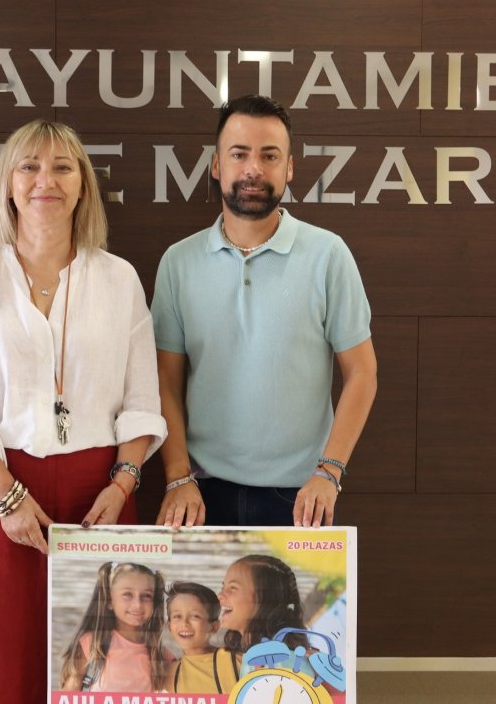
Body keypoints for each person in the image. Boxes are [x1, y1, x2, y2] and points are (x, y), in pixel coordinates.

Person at [0, 119, 167, 704]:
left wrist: (125, 482)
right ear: (8, 183)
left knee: (97, 667)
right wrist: (5, 496)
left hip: (99, 497)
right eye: (29, 166)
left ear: (83, 186)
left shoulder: (120, 278)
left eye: (62, 167)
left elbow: (142, 398)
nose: (44, 181)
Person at [151, 94, 377, 529]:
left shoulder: (328, 255)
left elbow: (362, 373)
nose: (253, 168)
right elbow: (165, 381)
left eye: (269, 155)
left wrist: (329, 472)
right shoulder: (178, 262)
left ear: (289, 168)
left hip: (301, 497)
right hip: (200, 492)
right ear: (217, 166)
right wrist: (177, 476)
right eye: (239, 154)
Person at [59, 561, 168, 692]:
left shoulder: (159, 654)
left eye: (146, 596)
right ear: (109, 601)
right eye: (127, 594)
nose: (137, 604)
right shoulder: (92, 644)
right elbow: (69, 693)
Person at [218, 555, 308, 656]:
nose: (220, 595)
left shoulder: (284, 661)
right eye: (223, 587)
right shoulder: (231, 658)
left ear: (263, 598)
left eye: (233, 588)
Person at [163, 581, 240, 694]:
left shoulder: (235, 661)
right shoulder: (170, 674)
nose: (184, 623)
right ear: (169, 626)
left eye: (195, 616)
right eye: (177, 616)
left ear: (213, 627)